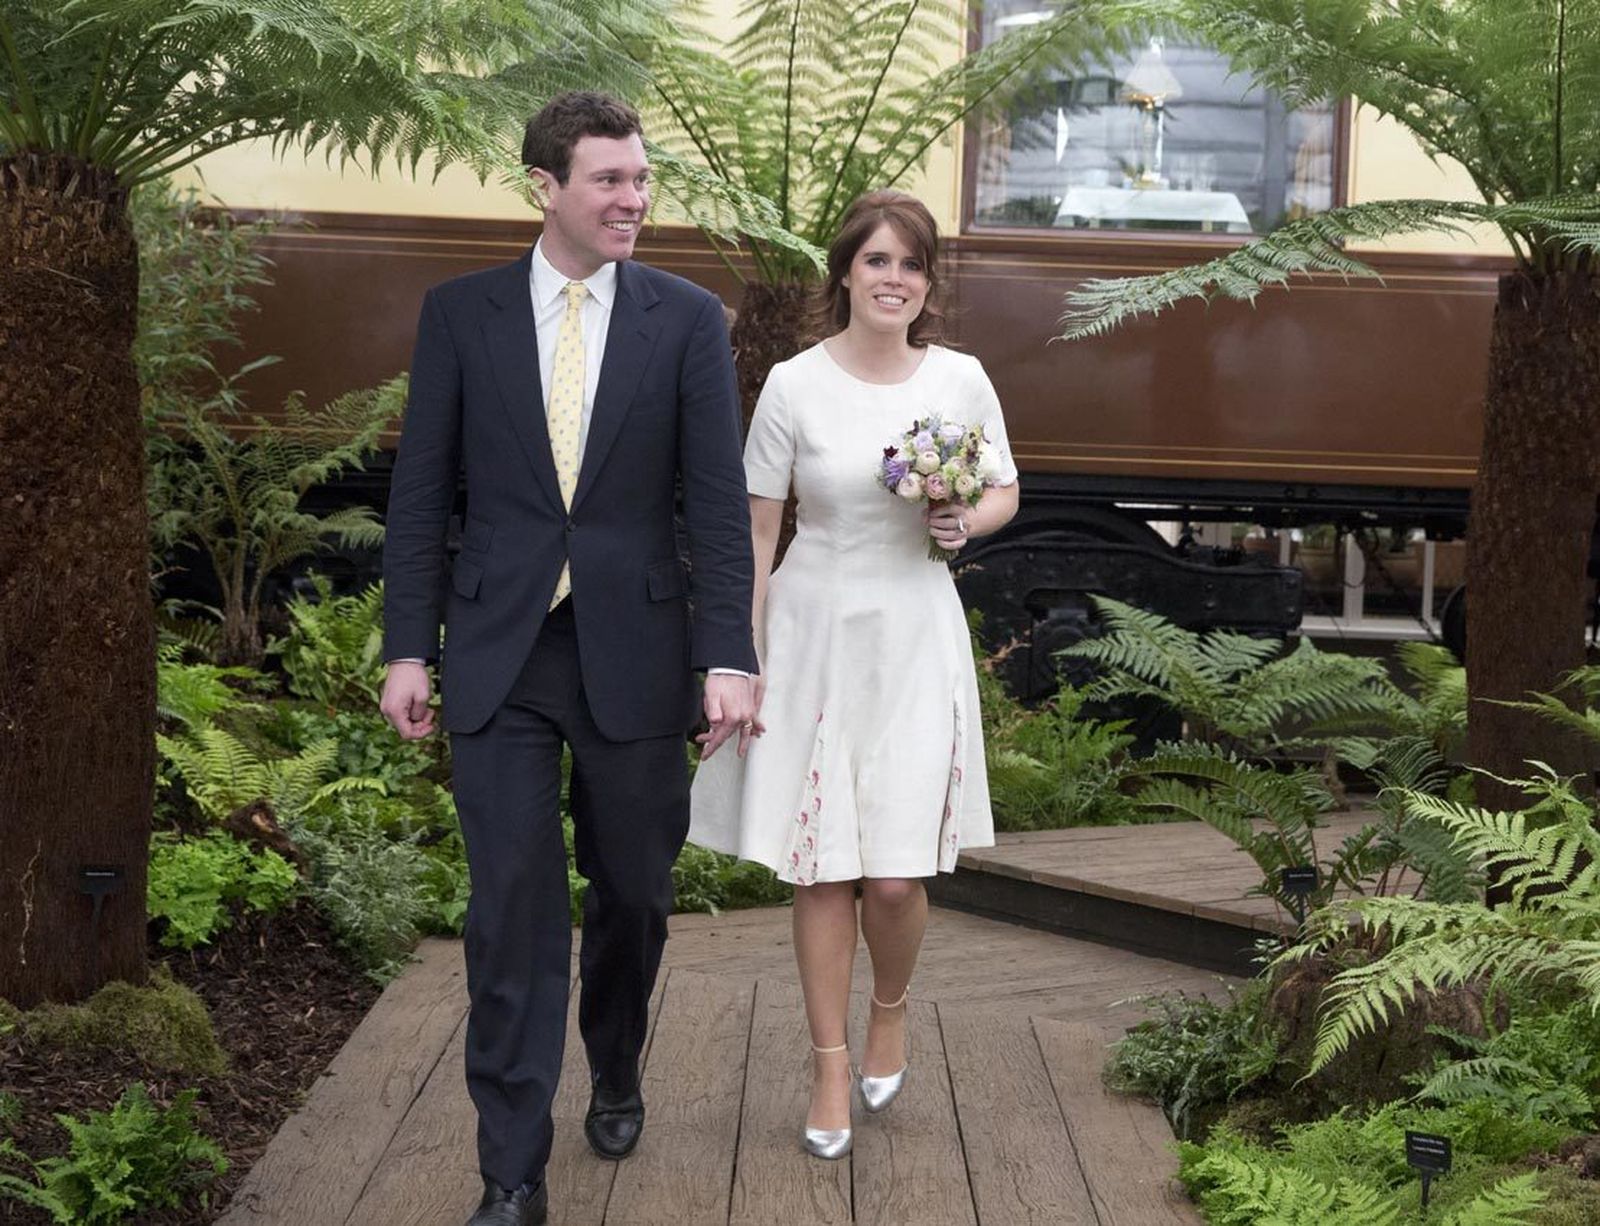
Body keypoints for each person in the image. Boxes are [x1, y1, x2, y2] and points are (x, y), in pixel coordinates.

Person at [378, 91, 758, 1226]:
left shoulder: (687, 319)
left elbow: (717, 510)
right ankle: (511, 1169)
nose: (633, 199)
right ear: (544, 185)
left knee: (633, 893)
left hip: (638, 652)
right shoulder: (461, 313)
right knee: (511, 907)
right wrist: (409, 644)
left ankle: (620, 1055)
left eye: (641, 179)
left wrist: (727, 653)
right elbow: (419, 495)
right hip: (500, 651)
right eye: (609, 180)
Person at [688, 189, 1020, 1158]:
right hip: (812, 629)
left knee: (889, 875)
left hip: (914, 630)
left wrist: (967, 519)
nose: (893, 279)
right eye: (876, 260)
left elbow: (1002, 486)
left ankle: (890, 1005)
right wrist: (736, 655)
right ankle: (828, 1059)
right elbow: (755, 530)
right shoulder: (793, 384)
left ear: (927, 284)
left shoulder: (959, 379)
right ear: (845, 272)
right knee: (820, 863)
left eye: (911, 264)